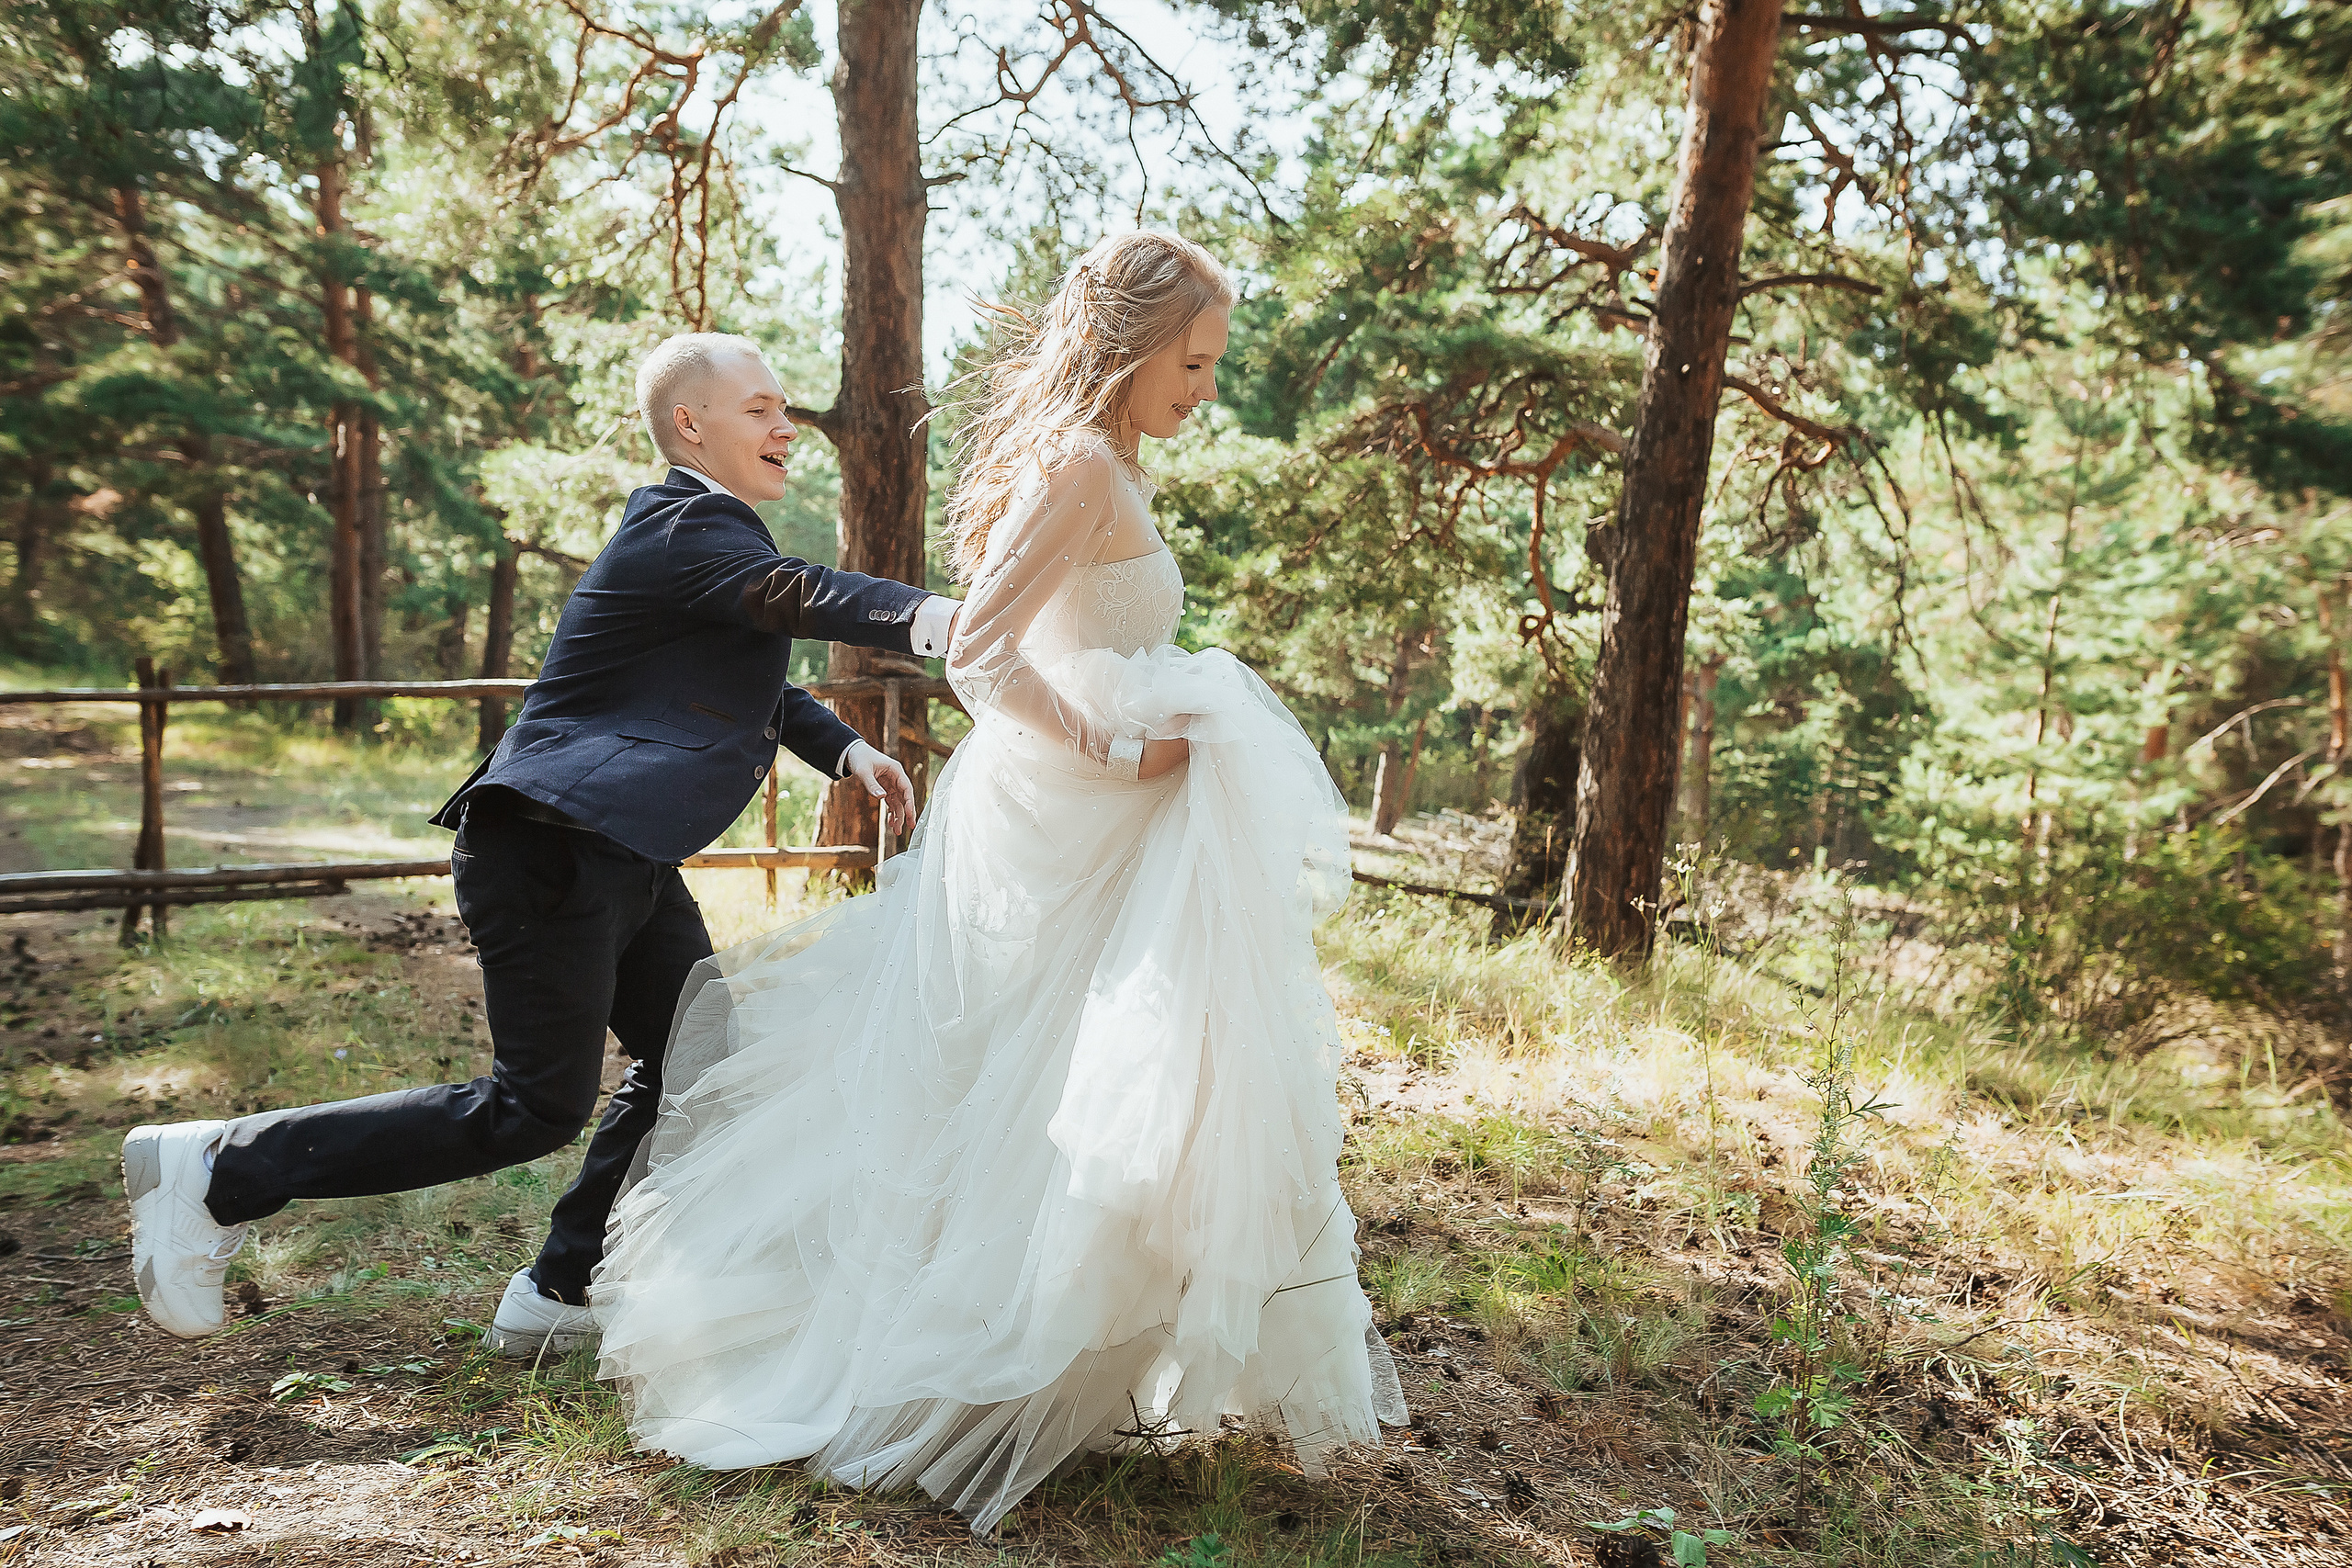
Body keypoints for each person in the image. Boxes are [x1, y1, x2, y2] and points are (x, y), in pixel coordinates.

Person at [589, 233, 1405, 1535]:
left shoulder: (1112, 463)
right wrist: (1117, 746)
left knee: (1105, 1080)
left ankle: (1073, 1347)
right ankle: (967, 1350)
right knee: (1021, 1084)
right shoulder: (1078, 466)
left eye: (1212, 366)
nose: (1206, 389)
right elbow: (978, 647)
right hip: (1064, 815)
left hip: (1109, 824)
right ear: (1132, 349)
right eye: (1193, 363)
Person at [122, 333, 960, 1348]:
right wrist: (944, 619)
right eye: (760, 408)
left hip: (621, 853)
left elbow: (751, 679)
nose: (787, 426)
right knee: (533, 1109)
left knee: (694, 1062)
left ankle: (560, 1290)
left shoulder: (703, 542)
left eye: (785, 408)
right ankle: (220, 1170)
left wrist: (845, 750)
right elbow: (795, 594)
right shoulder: (684, 526)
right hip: (550, 845)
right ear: (690, 424)